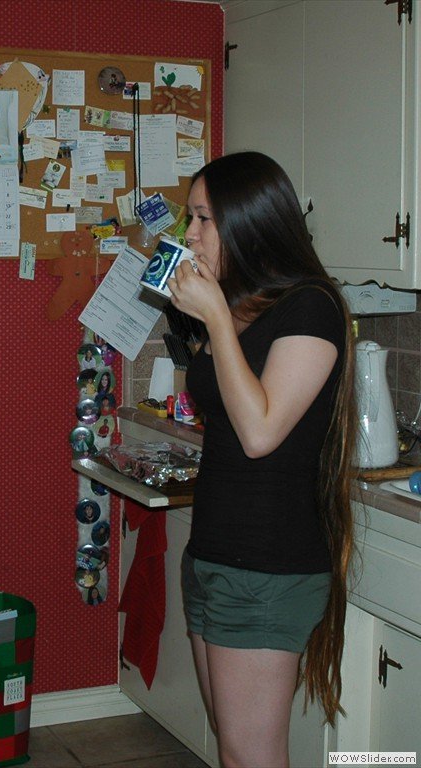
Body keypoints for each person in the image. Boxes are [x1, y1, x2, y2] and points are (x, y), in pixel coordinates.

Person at [167, 151, 357, 768]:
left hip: (268, 568)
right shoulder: (246, 306)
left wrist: (217, 318)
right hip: (214, 556)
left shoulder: (312, 308)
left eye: (203, 218)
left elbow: (260, 433)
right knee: (232, 744)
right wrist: (212, 315)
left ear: (249, 222)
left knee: (251, 758)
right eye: (190, 217)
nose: (189, 233)